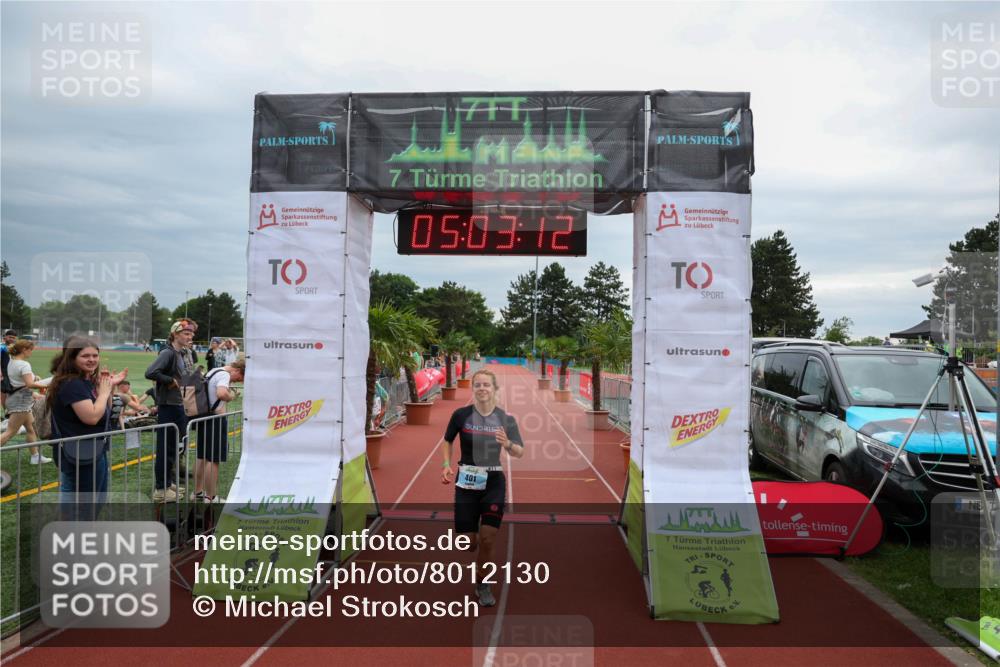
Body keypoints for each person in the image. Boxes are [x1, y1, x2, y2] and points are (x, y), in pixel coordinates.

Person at [438, 368, 524, 607]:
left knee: (488, 539)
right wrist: (446, 465)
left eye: (487, 385)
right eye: (478, 385)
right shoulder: (461, 415)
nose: (482, 389)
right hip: (466, 482)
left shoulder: (505, 419)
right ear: (473, 389)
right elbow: (447, 440)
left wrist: (507, 443)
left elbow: (519, 452)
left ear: (495, 389)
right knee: (469, 543)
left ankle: (482, 584)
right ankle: (471, 529)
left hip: (493, 482)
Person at [46, 335, 127, 515]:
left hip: (92, 449)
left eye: (95, 355)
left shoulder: (84, 380)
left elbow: (104, 412)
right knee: (84, 503)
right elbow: (91, 417)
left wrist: (107, 389)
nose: (92, 360)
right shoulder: (71, 384)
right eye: (85, 356)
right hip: (79, 452)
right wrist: (104, 393)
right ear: (72, 358)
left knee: (96, 499)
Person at [145, 319, 197, 503]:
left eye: (191, 334)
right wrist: (169, 380)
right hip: (169, 405)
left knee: (174, 447)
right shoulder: (168, 352)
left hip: (178, 404)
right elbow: (150, 372)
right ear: (175, 334)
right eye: (185, 333)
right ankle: (160, 489)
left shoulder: (181, 353)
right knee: (165, 447)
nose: (189, 337)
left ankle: (167, 483)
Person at [192, 357, 244, 503]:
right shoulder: (225, 375)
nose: (238, 382)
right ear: (238, 370)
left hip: (204, 417)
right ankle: (210, 496)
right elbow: (221, 394)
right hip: (215, 419)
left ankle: (197, 492)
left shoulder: (214, 370)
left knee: (201, 456)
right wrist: (231, 396)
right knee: (213, 460)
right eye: (240, 378)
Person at [0, 339, 52, 463]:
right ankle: (35, 456)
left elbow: (21, 381)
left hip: (17, 398)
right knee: (10, 432)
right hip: (21, 401)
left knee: (31, 429)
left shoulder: (12, 362)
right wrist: (48, 385)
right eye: (30, 350)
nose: (31, 353)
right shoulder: (24, 365)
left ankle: (35, 457)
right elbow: (29, 384)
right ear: (24, 350)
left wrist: (35, 379)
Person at [1, 329, 17, 415]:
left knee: (11, 392)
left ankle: (10, 413)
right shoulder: (1, 347)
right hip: (3, 373)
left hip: (12, 373)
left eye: (14, 338)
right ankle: (6, 413)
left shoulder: (14, 347)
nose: (12, 339)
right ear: (5, 337)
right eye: (10, 337)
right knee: (3, 392)